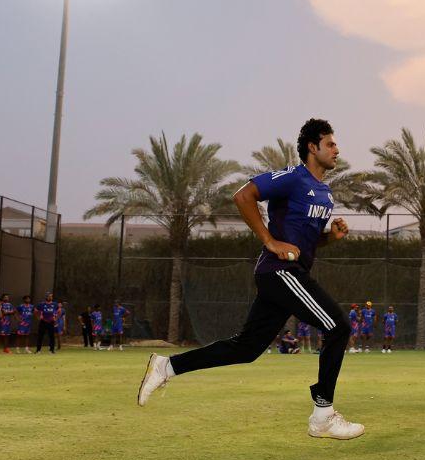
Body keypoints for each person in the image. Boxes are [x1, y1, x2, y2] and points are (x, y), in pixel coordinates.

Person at [137, 117, 364, 440]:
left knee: (246, 348)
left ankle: (167, 367)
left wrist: (330, 237)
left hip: (290, 273)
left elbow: (304, 244)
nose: (336, 150)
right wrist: (269, 241)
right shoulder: (292, 178)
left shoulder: (324, 194)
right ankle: (323, 415)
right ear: (312, 148)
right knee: (338, 325)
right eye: (330, 144)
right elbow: (244, 195)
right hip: (279, 273)